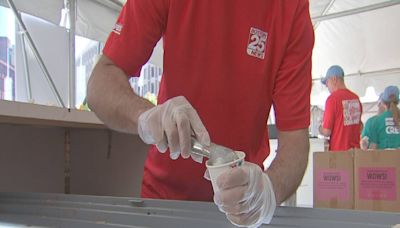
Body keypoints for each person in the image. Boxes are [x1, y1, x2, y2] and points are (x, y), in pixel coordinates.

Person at [87, 0, 314, 227]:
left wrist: (267, 194)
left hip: (240, 206)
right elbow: (101, 81)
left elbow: (295, 141)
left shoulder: (290, 8)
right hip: (165, 203)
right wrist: (146, 117)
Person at [319, 65, 363, 151]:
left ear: (334, 79)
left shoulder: (332, 99)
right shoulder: (356, 98)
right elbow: (360, 127)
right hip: (356, 152)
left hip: (339, 154)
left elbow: (327, 131)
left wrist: (319, 128)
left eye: (327, 82)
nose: (326, 86)